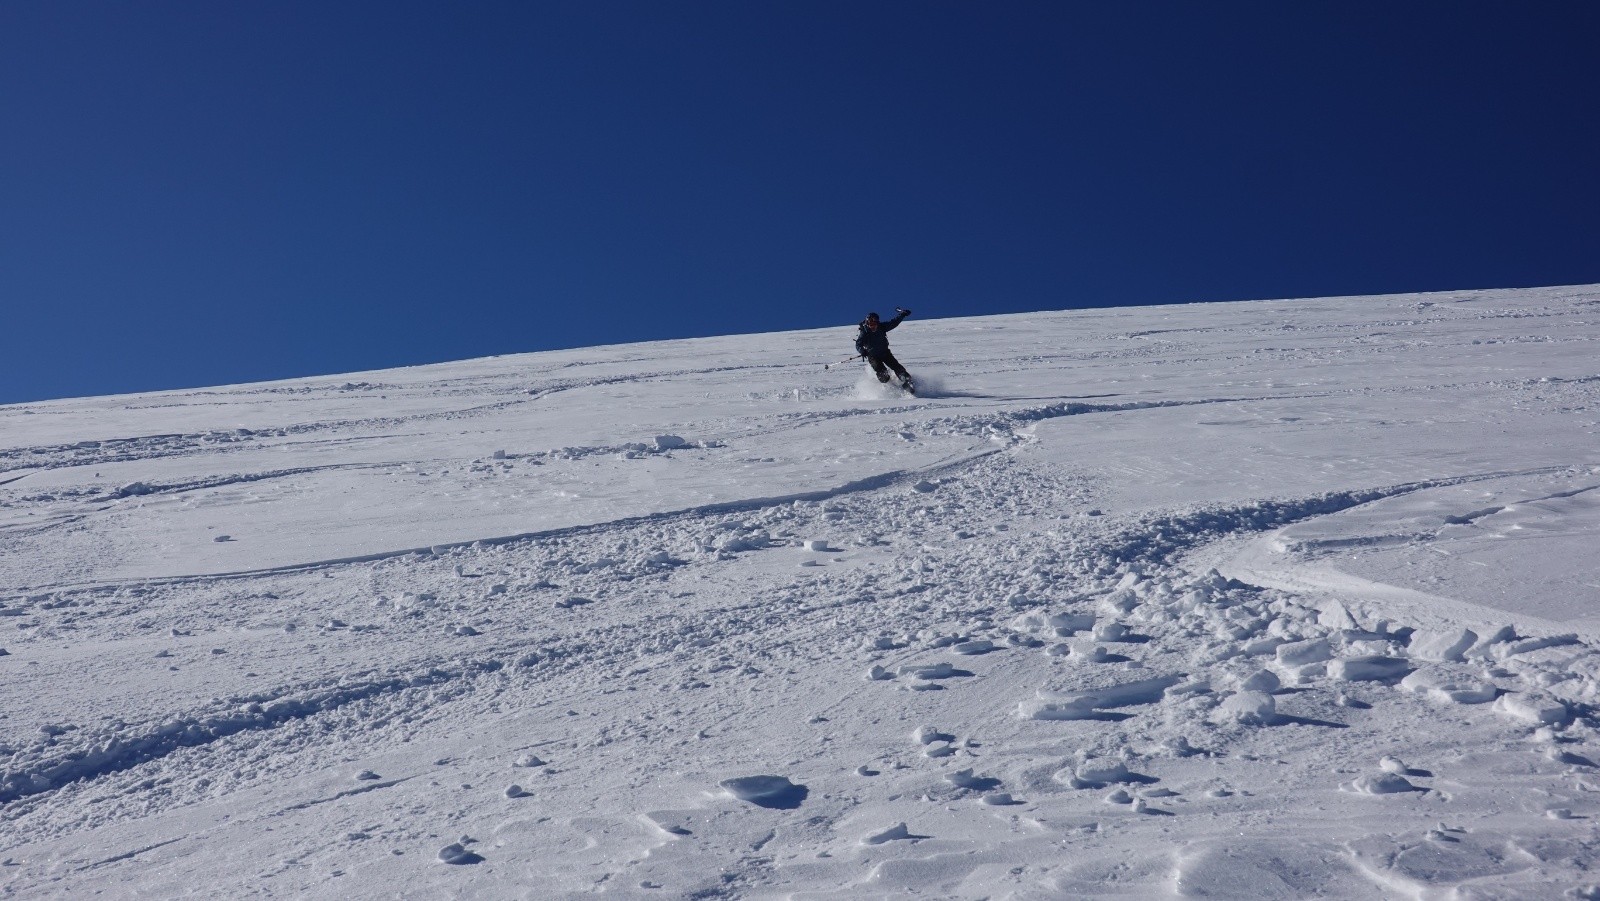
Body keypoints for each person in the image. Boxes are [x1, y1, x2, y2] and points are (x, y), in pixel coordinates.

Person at [855, 307, 914, 392]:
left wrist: (902, 315)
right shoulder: (864, 332)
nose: (873, 326)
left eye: (875, 324)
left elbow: (894, 323)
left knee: (897, 367)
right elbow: (858, 344)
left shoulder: (882, 327)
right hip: (873, 356)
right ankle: (889, 385)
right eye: (871, 324)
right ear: (867, 323)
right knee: (883, 374)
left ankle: (907, 381)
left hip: (885, 353)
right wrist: (862, 350)